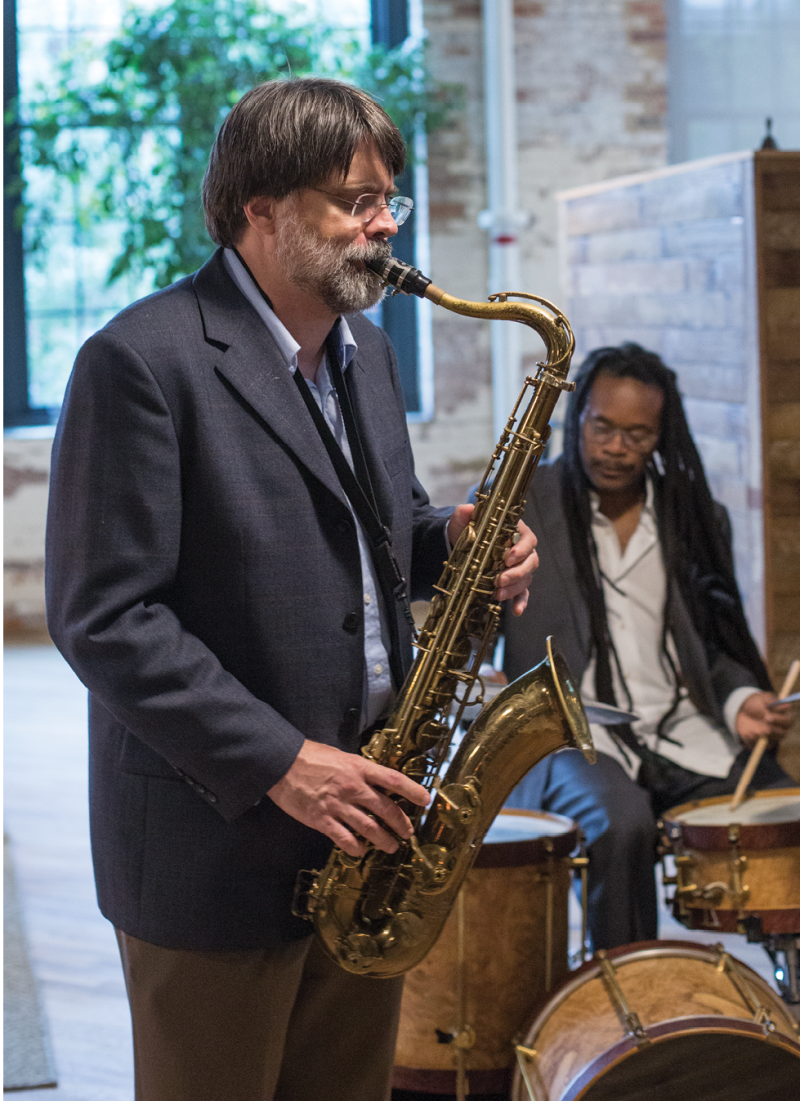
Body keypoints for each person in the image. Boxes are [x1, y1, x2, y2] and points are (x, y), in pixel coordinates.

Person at [44, 78, 539, 1101]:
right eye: (354, 198)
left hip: (366, 831)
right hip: (215, 844)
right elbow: (104, 617)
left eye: (387, 197)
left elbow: (379, 531)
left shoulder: (364, 356)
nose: (384, 222)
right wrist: (281, 762)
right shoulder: (139, 362)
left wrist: (454, 542)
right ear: (258, 208)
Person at [502, 342, 793, 951]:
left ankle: (780, 1002)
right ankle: (626, 991)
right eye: (603, 427)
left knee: (780, 811)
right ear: (578, 417)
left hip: (684, 728)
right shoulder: (524, 508)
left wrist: (739, 699)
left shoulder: (693, 518)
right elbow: (475, 626)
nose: (615, 448)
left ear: (662, 436)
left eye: (638, 434)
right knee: (621, 822)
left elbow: (712, 642)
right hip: (572, 735)